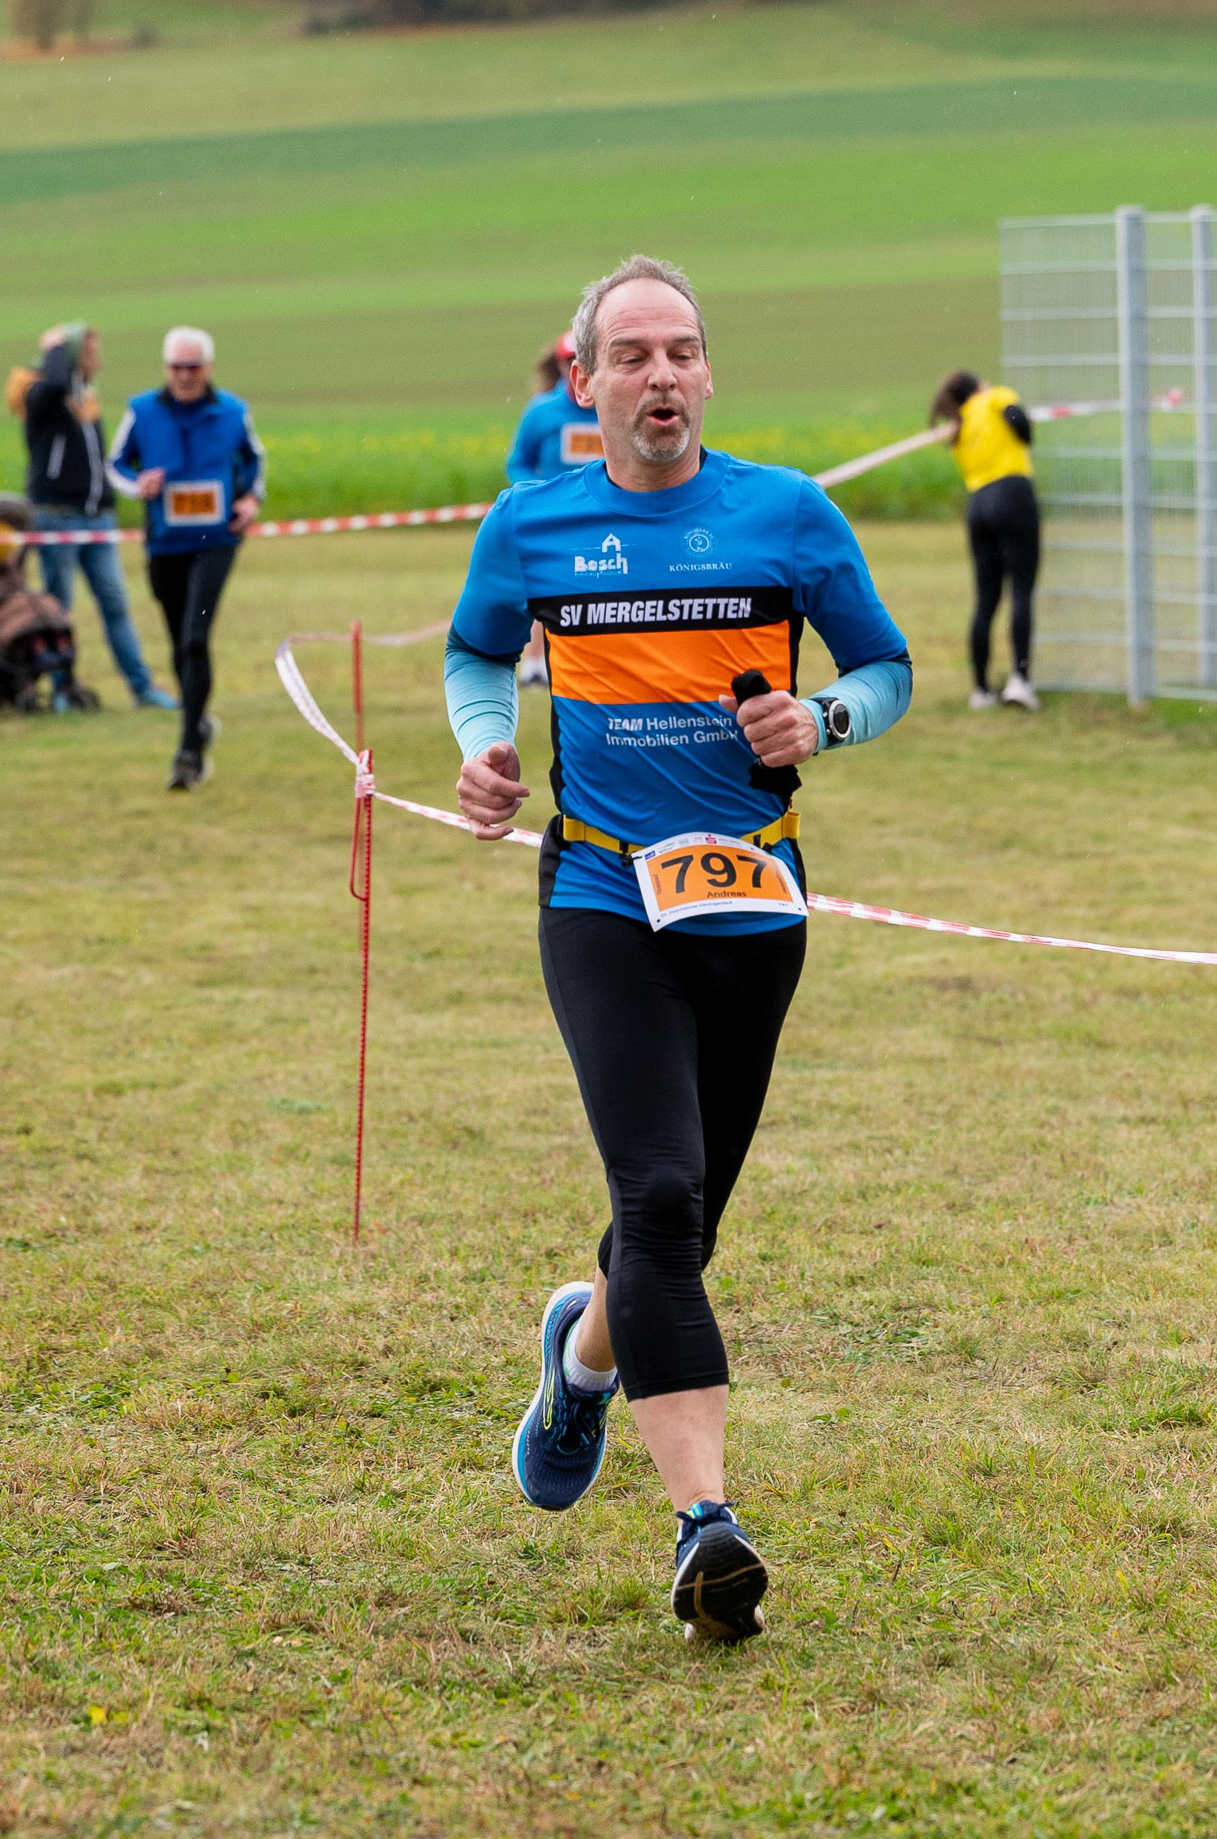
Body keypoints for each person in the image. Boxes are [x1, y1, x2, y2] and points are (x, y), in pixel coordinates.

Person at [446, 256, 911, 1643]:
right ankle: (706, 1525)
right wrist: (487, 744)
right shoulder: (531, 524)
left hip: (751, 896)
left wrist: (821, 721)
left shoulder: (788, 513)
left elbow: (884, 669)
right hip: (600, 891)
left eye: (683, 351)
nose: (662, 376)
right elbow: (477, 654)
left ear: (707, 373)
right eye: (633, 354)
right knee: (655, 1198)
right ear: (581, 380)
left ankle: (583, 1358)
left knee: (681, 1221)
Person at [107, 327, 265, 789]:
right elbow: (115, 464)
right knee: (179, 644)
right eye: (176, 367)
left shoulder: (233, 411)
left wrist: (250, 500)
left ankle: (188, 752)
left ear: (208, 367)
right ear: (166, 368)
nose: (184, 375)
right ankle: (198, 722)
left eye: (193, 367)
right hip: (164, 543)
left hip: (216, 541)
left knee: (196, 638)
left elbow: (254, 460)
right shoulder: (141, 411)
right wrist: (138, 485)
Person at [19, 323, 175, 711]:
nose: (98, 362)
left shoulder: (85, 397)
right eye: (89, 353)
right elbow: (55, 383)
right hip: (58, 517)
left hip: (97, 518)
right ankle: (62, 690)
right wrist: (56, 347)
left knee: (115, 604)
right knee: (58, 611)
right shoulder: (40, 394)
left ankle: (142, 688)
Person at [931, 370, 1040, 712]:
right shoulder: (994, 397)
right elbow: (1022, 426)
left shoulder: (960, 424)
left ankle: (980, 690)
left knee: (986, 600)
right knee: (1021, 589)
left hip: (978, 505)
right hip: (1012, 494)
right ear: (978, 386)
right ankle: (1020, 681)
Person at [506, 332, 606, 689]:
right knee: (545, 588)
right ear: (562, 365)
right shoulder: (542, 412)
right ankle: (535, 665)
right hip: (554, 518)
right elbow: (518, 462)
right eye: (570, 361)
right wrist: (537, 495)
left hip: (603, 517)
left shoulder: (613, 408)